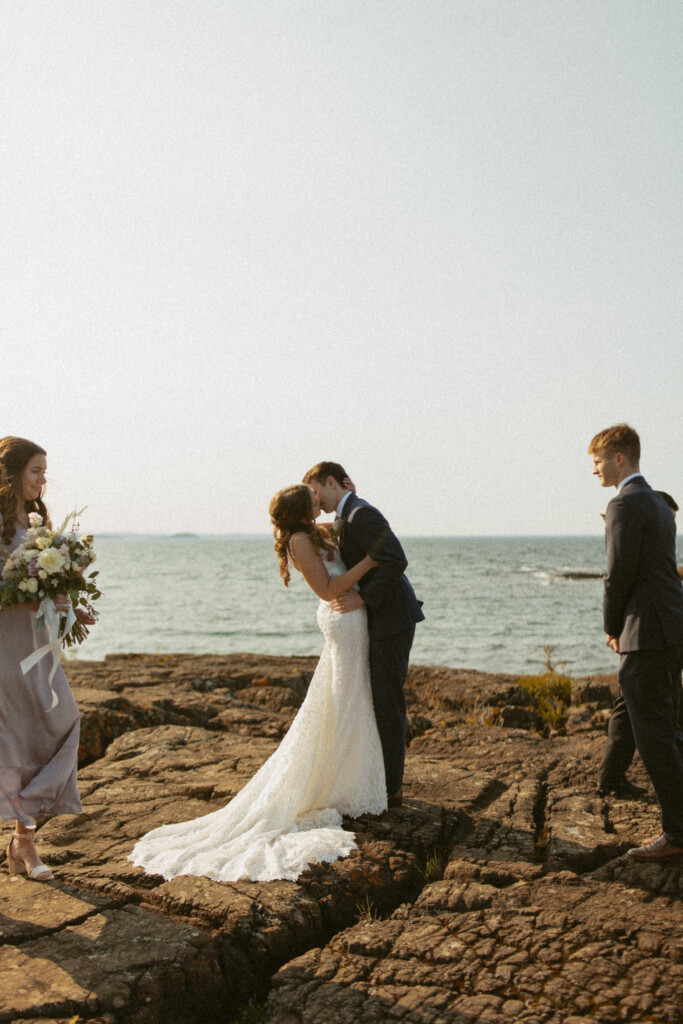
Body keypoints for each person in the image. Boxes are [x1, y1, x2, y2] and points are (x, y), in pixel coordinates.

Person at [130, 484, 386, 882]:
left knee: (348, 699)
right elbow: (327, 588)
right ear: (301, 508)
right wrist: (370, 564)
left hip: (353, 618)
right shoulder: (299, 540)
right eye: (312, 498)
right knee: (345, 698)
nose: (319, 500)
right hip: (342, 617)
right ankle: (339, 785)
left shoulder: (315, 532)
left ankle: (343, 781)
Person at [303, 462, 424, 808]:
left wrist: (362, 597)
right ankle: (380, 782)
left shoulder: (360, 513)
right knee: (378, 699)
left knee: (388, 702)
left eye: (316, 491)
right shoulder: (348, 514)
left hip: (393, 617)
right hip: (381, 617)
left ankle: (392, 790)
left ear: (331, 482)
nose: (315, 498)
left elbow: (396, 559)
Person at [589, 424, 683, 860]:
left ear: (619, 458)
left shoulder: (623, 504)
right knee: (669, 730)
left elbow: (617, 575)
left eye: (598, 461)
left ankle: (677, 835)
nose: (595, 471)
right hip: (671, 628)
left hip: (643, 634)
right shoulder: (663, 505)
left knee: (653, 737)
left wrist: (612, 628)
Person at [0, 437, 86, 880]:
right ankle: (23, 845)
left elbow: (53, 584)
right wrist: (23, 598)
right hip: (4, 647)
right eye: (36, 471)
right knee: (11, 741)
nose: (43, 479)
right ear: (12, 473)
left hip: (36, 646)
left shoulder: (41, 521)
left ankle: (23, 841)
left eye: (45, 471)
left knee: (60, 722)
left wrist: (69, 602)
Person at [596, 491, 680, 798]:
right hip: (645, 629)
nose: (669, 528)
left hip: (650, 627)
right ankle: (613, 778)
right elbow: (621, 574)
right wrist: (613, 628)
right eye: (669, 520)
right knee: (659, 706)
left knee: (628, 704)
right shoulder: (634, 519)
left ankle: (611, 777)